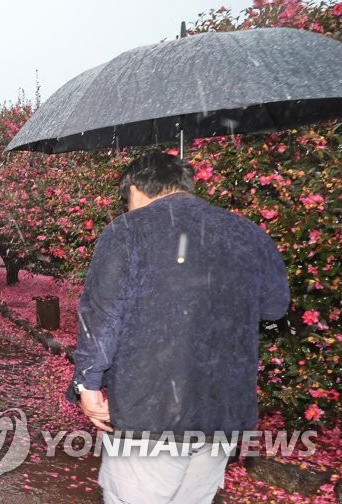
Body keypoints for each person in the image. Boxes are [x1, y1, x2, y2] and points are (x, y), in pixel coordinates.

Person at [66, 152, 290, 503]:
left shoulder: (127, 231)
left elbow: (103, 313)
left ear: (136, 189)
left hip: (151, 411)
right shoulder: (249, 234)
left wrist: (88, 384)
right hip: (221, 410)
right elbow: (275, 307)